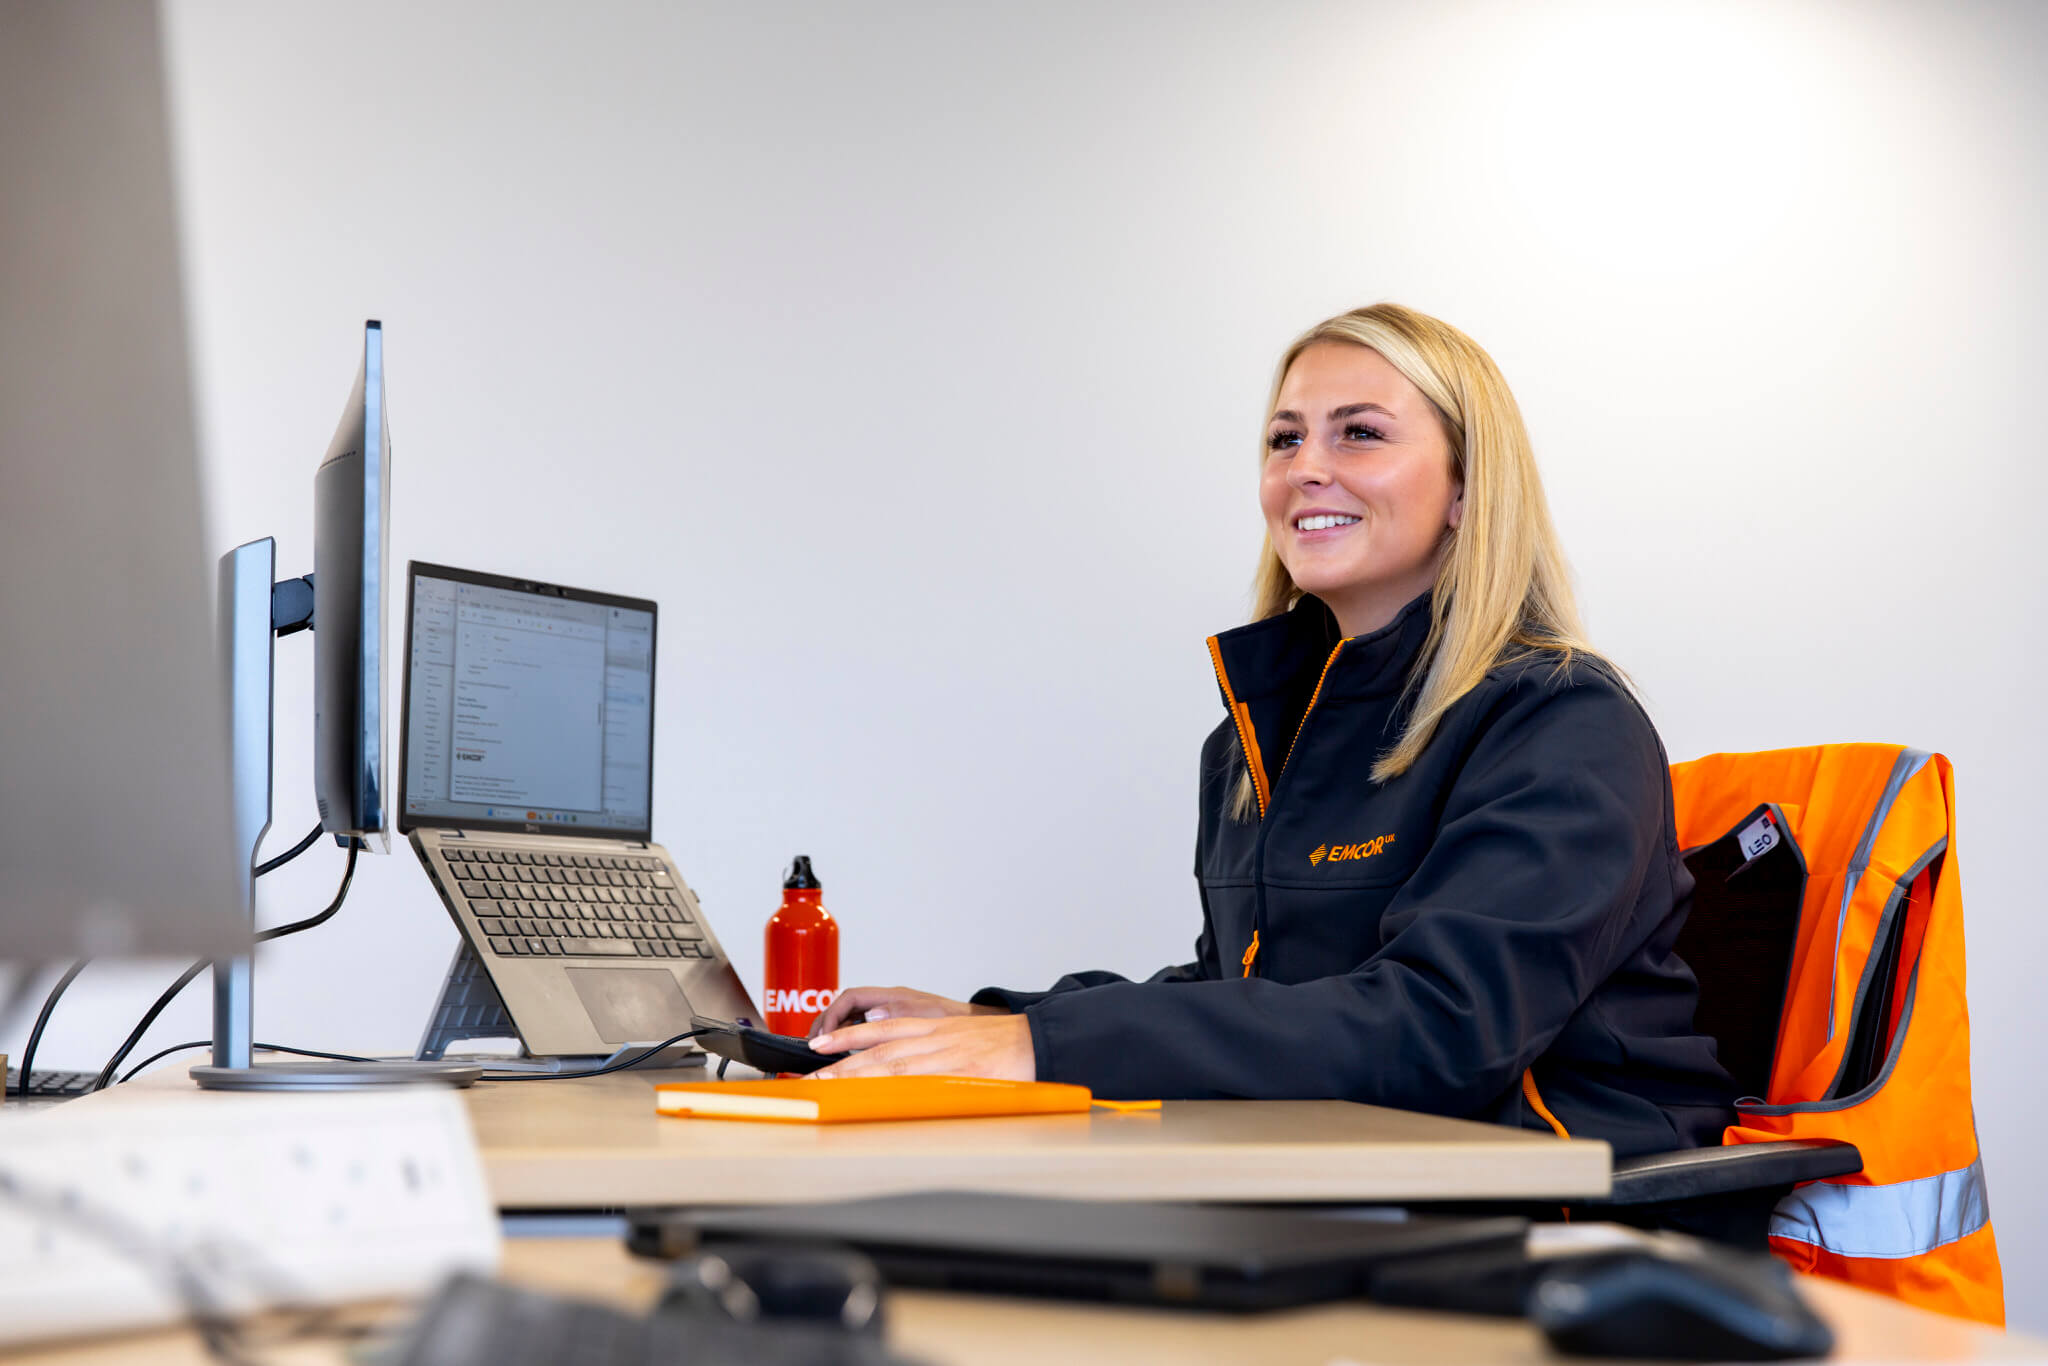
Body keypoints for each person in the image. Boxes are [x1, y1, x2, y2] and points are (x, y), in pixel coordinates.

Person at [808, 302, 1736, 1158]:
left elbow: (1439, 1028)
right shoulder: (1257, 742)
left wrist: (1040, 1046)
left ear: (1467, 488)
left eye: (1360, 434)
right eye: (1284, 439)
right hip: (1347, 1179)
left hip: (1561, 1210)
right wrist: (980, 1023)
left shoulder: (1564, 720)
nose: (1306, 469)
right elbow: (1245, 999)